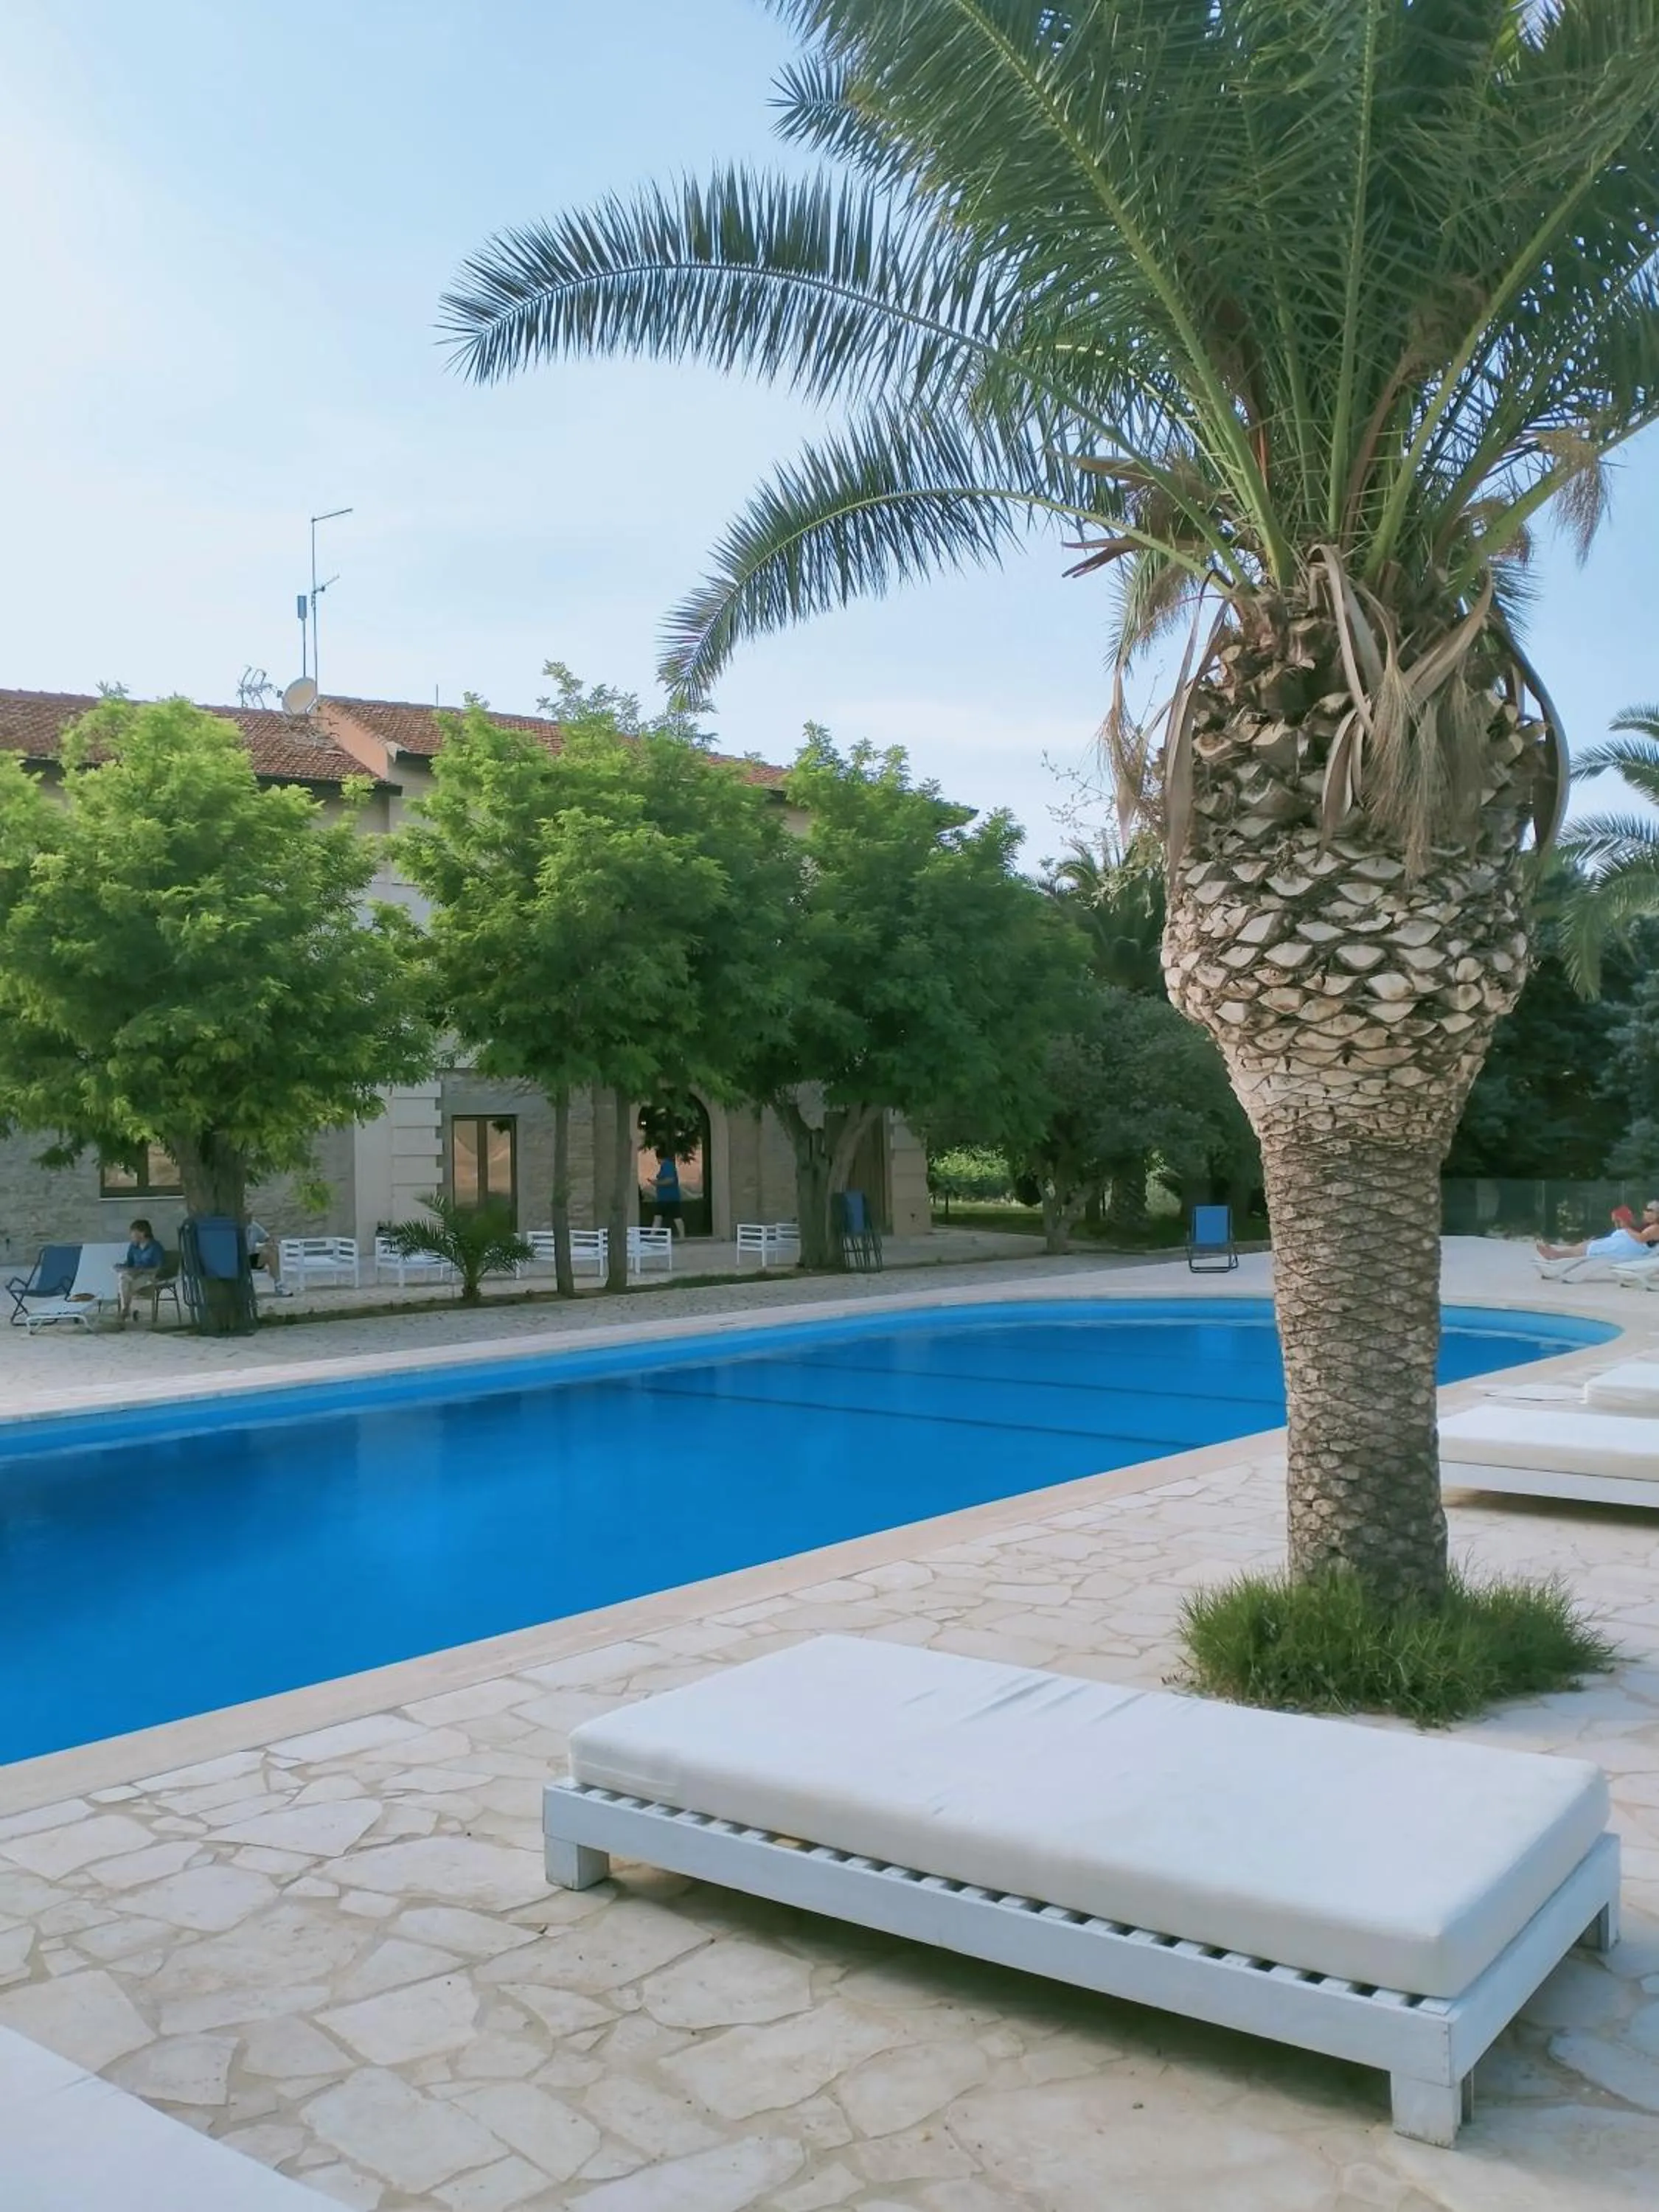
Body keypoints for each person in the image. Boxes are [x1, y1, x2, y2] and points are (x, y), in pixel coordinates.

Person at [1537, 1200, 1659, 1264]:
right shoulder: (1649, 1225)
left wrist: (1625, 1227)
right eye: (1645, 1209)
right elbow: (1636, 1231)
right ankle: (1557, 1254)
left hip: (1631, 1249)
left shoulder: (1656, 1228)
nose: (1645, 1212)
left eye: (1649, 1210)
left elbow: (1642, 1239)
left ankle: (1556, 1255)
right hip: (1625, 1243)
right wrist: (1623, 1220)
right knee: (1590, 1243)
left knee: (1592, 1247)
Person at [115, 1217, 167, 1322]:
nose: (131, 1236)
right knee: (122, 1277)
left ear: (142, 1233)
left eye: (133, 1233)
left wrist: (142, 1271)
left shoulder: (155, 1247)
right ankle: (125, 1310)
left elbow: (159, 1268)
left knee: (125, 1285)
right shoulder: (133, 1247)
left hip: (148, 1276)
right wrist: (120, 1267)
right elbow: (129, 1263)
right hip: (133, 1275)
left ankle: (124, 1311)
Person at [650, 1149, 684, 1237]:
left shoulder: (668, 1166)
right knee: (658, 1217)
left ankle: (682, 1236)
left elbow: (670, 1180)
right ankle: (652, 1236)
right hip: (663, 1198)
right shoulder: (665, 1166)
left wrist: (656, 1183)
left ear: (659, 1158)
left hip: (669, 1198)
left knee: (676, 1217)